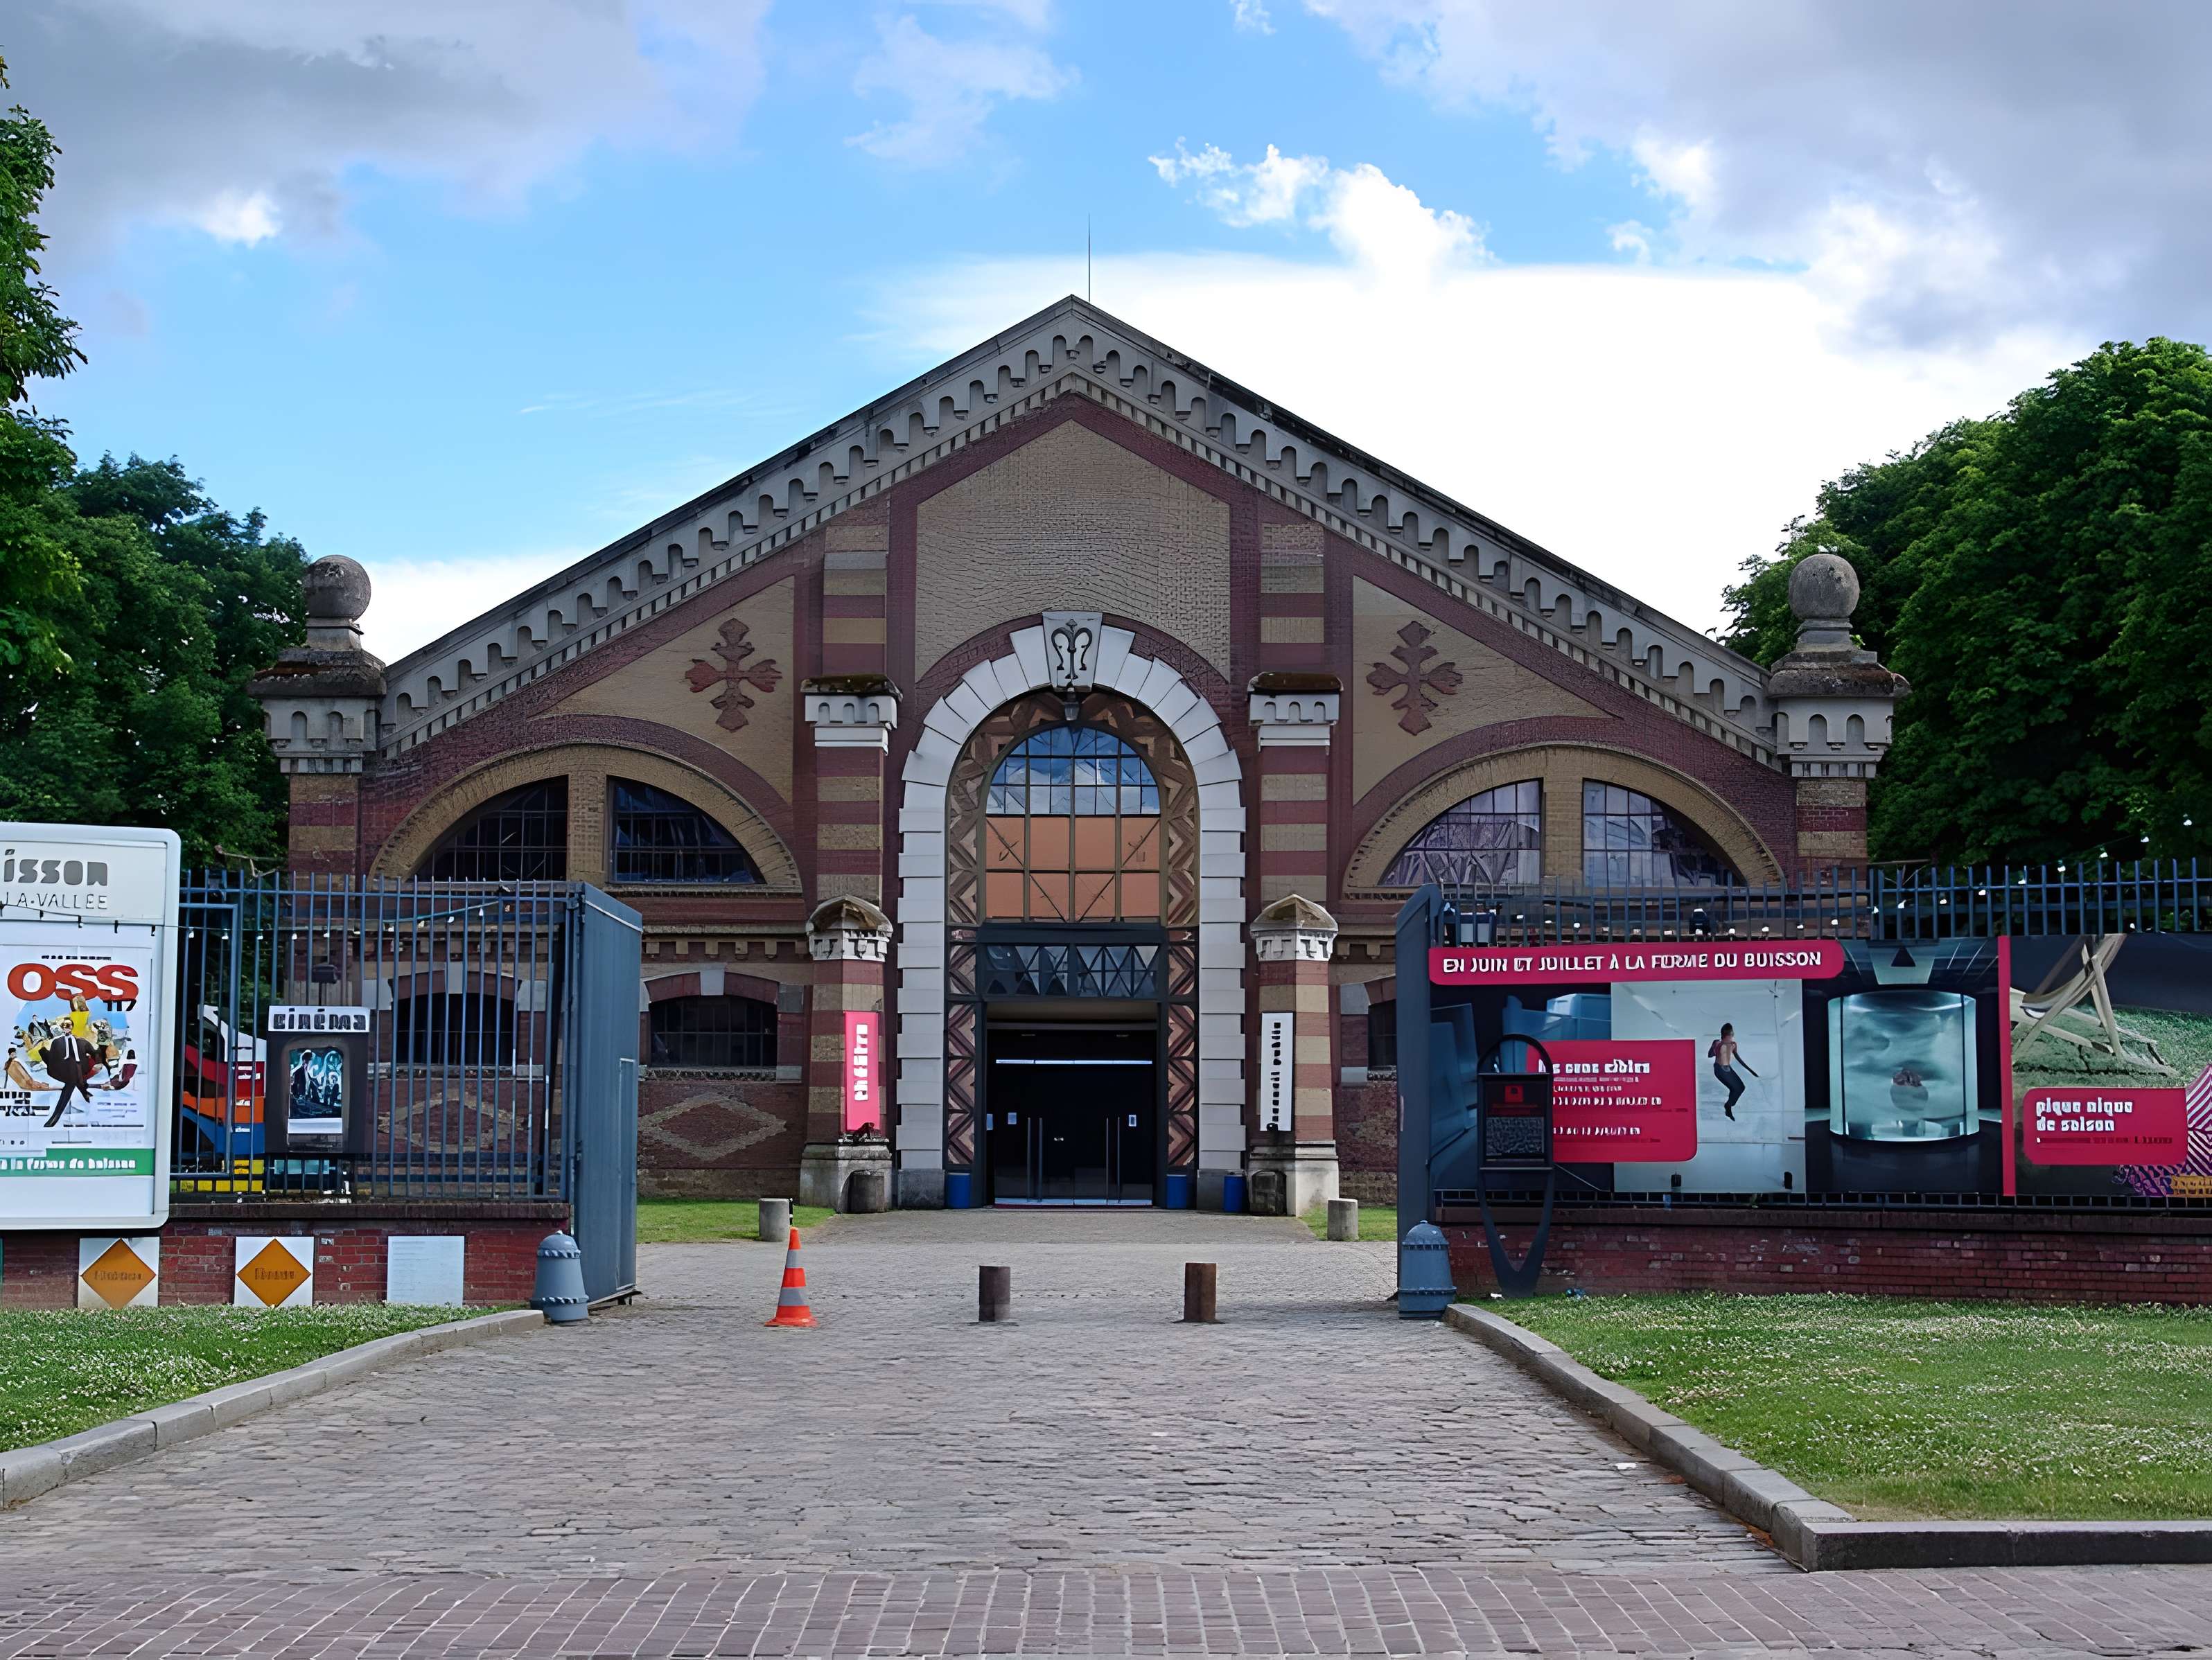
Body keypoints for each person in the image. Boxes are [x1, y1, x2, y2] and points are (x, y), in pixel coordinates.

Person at [1707, 1022, 1757, 1121]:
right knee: (1738, 1089)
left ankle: (1729, 1107)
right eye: (1730, 1034)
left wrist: (1750, 1070)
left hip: (1728, 1069)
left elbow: (1738, 1058)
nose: (1731, 1036)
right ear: (1727, 1035)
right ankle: (1728, 1106)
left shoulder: (1733, 1045)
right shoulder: (1717, 1043)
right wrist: (1714, 1049)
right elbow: (1710, 1055)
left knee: (1739, 1088)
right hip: (1720, 1069)